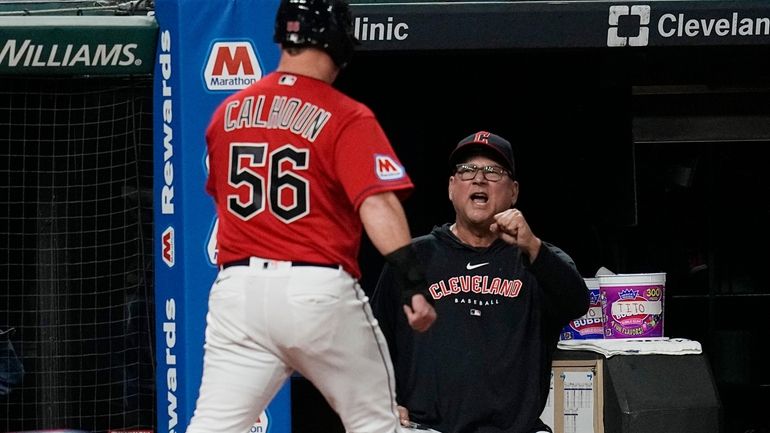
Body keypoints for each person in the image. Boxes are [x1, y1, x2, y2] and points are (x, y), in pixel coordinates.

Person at [187, 0, 437, 432]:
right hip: (315, 289)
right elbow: (376, 203)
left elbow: (223, 199)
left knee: (212, 428)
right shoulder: (346, 115)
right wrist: (413, 282)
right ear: (339, 41)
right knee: (375, 423)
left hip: (238, 293)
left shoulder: (226, 115)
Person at [371, 131, 590, 433]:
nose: (478, 179)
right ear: (451, 188)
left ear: (513, 192)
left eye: (493, 171)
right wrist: (383, 400)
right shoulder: (412, 257)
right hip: (425, 427)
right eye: (466, 170)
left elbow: (577, 302)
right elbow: (373, 340)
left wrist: (533, 247)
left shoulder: (539, 259)